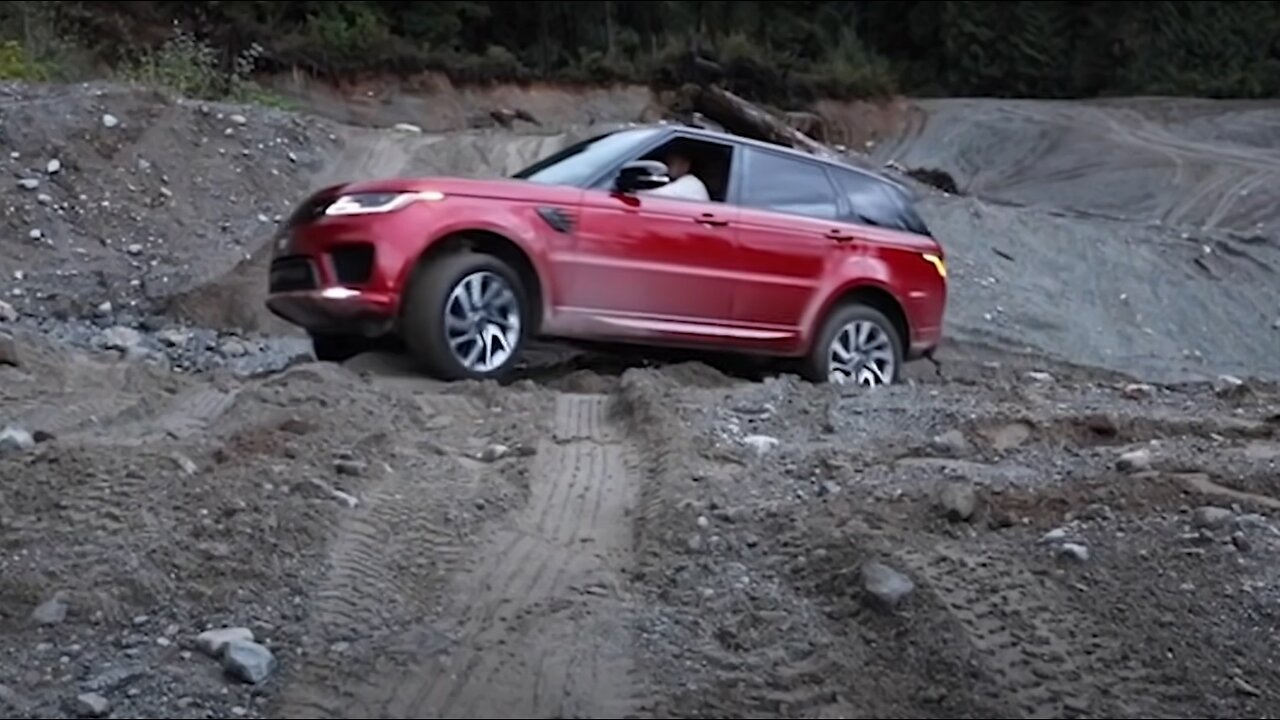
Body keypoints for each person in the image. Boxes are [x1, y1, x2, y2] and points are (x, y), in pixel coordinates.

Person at [641, 150, 710, 202]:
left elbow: (657, 195)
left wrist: (633, 192)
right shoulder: (686, 181)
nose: (668, 166)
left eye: (672, 162)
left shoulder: (691, 183)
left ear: (686, 165)